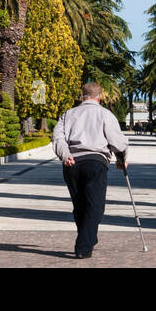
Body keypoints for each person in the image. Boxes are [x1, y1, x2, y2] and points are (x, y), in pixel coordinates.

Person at [51, 81, 129, 259]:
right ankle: (83, 246)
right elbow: (117, 141)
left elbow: (57, 137)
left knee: (79, 205)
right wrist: (121, 158)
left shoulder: (68, 114)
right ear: (100, 97)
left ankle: (88, 238)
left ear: (82, 96)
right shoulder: (105, 114)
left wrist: (65, 155)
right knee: (95, 205)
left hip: (72, 164)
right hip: (95, 162)